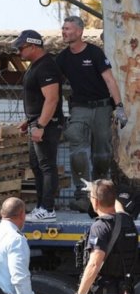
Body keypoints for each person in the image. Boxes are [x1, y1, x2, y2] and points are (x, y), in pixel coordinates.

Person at [56, 16, 128, 213]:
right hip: (79, 108)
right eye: (63, 28)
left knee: (102, 152)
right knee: (76, 142)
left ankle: (100, 193)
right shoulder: (62, 58)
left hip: (102, 108)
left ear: (79, 32)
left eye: (68, 29)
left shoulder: (94, 53)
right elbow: (53, 84)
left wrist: (119, 107)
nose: (64, 32)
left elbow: (110, 81)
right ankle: (81, 194)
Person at [13, 29, 64, 222]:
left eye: (21, 48)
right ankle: (42, 206)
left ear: (33, 46)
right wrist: (30, 120)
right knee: (36, 165)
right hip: (37, 122)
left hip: (47, 124)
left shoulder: (46, 67)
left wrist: (41, 125)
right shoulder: (35, 66)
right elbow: (39, 99)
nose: (19, 52)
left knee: (46, 166)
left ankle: (48, 209)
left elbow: (52, 99)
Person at [73, 179, 138, 294]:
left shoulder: (100, 227)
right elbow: (119, 210)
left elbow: (94, 264)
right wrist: (108, 191)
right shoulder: (128, 222)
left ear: (95, 202)